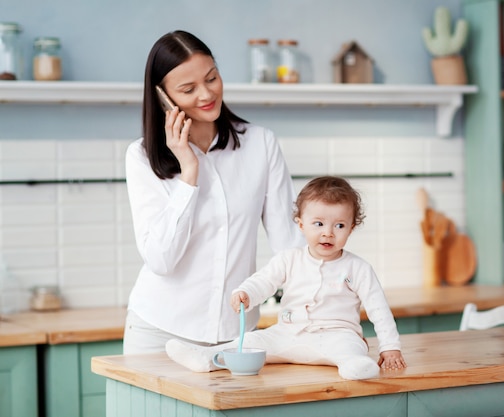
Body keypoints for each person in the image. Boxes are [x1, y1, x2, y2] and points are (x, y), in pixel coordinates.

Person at [123, 30, 302, 354]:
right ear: (163, 97)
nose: (206, 94)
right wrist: (189, 172)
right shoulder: (141, 156)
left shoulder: (260, 144)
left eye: (212, 78)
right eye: (188, 89)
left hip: (235, 335)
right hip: (157, 332)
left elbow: (290, 243)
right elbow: (161, 259)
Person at [166, 176, 407, 380]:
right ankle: (207, 358)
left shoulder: (358, 268)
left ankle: (355, 364)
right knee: (252, 339)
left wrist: (390, 347)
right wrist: (246, 293)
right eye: (319, 223)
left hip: (337, 336)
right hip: (288, 335)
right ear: (301, 225)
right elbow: (263, 280)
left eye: (340, 225)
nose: (328, 233)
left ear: (352, 228)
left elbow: (379, 310)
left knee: (350, 347)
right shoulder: (289, 259)